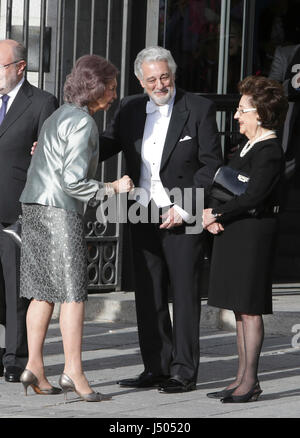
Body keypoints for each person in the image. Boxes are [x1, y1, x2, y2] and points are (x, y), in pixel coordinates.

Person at [99, 46, 222, 393]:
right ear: (140, 80)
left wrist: (185, 209)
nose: (159, 84)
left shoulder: (199, 108)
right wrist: (60, 142)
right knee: (147, 293)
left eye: (164, 76)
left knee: (183, 294)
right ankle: (156, 366)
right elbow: (105, 145)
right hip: (141, 210)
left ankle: (183, 370)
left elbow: (211, 163)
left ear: (173, 74)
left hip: (183, 210)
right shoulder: (129, 108)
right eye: (151, 79)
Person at [18, 54, 133, 401]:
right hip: (58, 211)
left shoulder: (58, 115)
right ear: (96, 88)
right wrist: (112, 188)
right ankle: (73, 371)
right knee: (73, 293)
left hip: (34, 205)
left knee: (43, 292)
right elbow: (72, 181)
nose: (113, 95)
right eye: (110, 88)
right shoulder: (84, 123)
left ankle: (34, 367)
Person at [203, 76, 288, 403]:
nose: (236, 115)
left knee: (250, 309)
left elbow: (253, 196)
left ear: (261, 114)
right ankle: (239, 378)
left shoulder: (270, 150)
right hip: (236, 233)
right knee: (239, 309)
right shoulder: (248, 146)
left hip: (253, 236)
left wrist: (217, 215)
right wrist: (214, 212)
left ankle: (250, 381)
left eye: (242, 109)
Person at [0, 39, 58, 383]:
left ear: (20, 67)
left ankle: (17, 357)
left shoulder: (41, 102)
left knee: (17, 289)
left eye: (0, 66)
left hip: (18, 210)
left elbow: (50, 160)